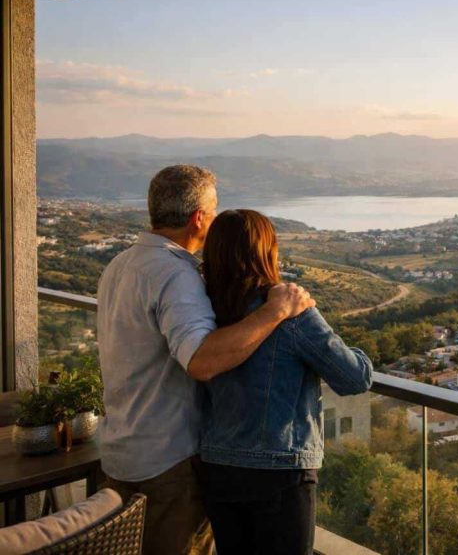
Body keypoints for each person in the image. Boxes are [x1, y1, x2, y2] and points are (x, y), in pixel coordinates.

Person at [97, 165, 315, 555]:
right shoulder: (175, 274)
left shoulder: (121, 265)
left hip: (120, 452)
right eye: (213, 213)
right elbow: (201, 360)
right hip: (169, 463)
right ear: (199, 218)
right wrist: (274, 312)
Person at [198, 209, 373, 555]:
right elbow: (355, 377)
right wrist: (352, 347)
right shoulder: (289, 311)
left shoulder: (205, 311)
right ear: (267, 252)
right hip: (279, 472)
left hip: (218, 467)